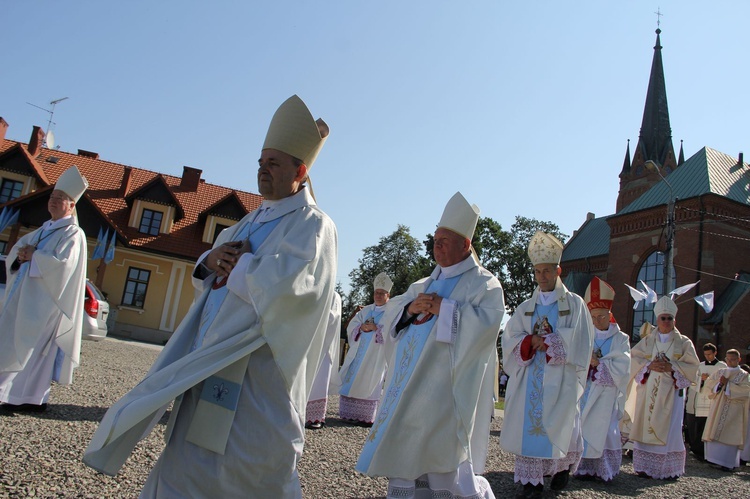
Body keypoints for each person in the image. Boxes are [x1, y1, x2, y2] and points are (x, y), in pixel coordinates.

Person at [84, 95, 338, 498]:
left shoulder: (314, 225)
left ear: (300, 170)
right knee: (186, 462)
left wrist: (238, 268)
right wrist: (211, 258)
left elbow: (297, 293)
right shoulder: (249, 220)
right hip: (208, 358)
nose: (262, 171)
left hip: (256, 371)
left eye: (273, 163)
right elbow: (209, 275)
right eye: (260, 162)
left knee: (243, 467)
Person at [356, 192, 504, 499]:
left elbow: (486, 327)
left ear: (465, 244)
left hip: (445, 393)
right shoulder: (421, 285)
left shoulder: (484, 284)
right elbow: (392, 318)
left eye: (445, 240)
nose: (436, 245)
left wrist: (445, 309)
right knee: (406, 456)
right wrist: (410, 310)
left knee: (440, 458)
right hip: (408, 389)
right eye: (435, 238)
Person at [500, 231, 594, 498]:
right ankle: (531, 483)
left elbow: (582, 339)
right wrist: (530, 341)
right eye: (538, 271)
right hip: (530, 378)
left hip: (560, 378)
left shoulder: (574, 304)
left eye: (547, 271)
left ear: (558, 270)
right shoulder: (526, 307)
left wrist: (551, 342)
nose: (542, 276)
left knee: (560, 422)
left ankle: (559, 470)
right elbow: (510, 338)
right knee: (528, 427)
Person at [0, 166, 89, 412]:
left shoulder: (73, 233)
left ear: (71, 206)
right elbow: (16, 257)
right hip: (26, 299)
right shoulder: (43, 229)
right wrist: (21, 257)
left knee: (34, 350)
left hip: (48, 302)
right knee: (17, 343)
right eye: (52, 197)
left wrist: (35, 256)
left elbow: (64, 266)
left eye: (60, 198)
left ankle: (30, 398)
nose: (54, 201)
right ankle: (24, 398)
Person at [629, 295, 699, 480]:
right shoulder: (647, 341)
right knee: (646, 422)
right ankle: (644, 467)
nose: (666, 321)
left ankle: (666, 469)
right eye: (663, 318)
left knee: (670, 428)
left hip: (672, 393)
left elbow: (693, 367)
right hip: (648, 389)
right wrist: (648, 366)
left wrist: (672, 367)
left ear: (674, 320)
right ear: (657, 320)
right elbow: (633, 359)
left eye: (669, 318)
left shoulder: (684, 342)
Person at [574, 277, 631, 482]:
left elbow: (623, 365)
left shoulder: (620, 338)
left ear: (610, 315)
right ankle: (581, 468)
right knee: (581, 426)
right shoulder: (584, 335)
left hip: (606, 393)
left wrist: (599, 364)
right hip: (586, 389)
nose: (597, 321)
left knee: (604, 430)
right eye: (593, 317)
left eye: (601, 316)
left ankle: (603, 470)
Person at [335, 272, 393, 426]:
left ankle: (366, 417)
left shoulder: (392, 311)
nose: (378, 296)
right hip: (358, 354)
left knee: (371, 379)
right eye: (376, 293)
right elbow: (352, 326)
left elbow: (393, 331)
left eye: (382, 293)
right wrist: (361, 327)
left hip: (376, 356)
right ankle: (349, 413)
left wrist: (376, 328)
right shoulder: (366, 310)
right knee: (353, 379)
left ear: (388, 294)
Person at [702, 349, 750, 471]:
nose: (729, 362)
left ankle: (728, 463)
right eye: (727, 359)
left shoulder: (744, 375)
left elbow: (746, 392)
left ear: (739, 359)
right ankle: (714, 460)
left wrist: (728, 385)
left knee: (729, 434)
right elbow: (708, 386)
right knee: (715, 431)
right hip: (718, 407)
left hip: (734, 411)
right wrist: (719, 385)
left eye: (733, 359)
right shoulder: (720, 372)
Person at [305, 293, 342, 429]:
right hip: (307, 344)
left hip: (323, 347)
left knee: (319, 380)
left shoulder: (333, 296)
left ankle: (314, 417)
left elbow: (333, 318)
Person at [685, 343, 726, 459]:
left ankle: (710, 452)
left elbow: (723, 382)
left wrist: (709, 380)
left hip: (714, 400)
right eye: (705, 354)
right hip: (700, 400)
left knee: (710, 425)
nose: (707, 357)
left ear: (715, 353)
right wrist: (701, 380)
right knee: (699, 425)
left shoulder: (722, 366)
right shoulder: (700, 365)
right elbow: (693, 382)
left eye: (709, 354)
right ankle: (698, 450)